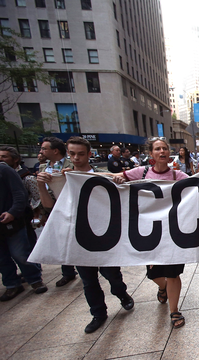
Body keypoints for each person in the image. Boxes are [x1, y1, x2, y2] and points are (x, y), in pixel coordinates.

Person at [38, 137, 134, 333]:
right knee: (88, 280)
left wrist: (118, 179)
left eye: (81, 154)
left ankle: (121, 293)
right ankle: (98, 313)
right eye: (72, 154)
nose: (76, 158)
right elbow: (49, 206)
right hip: (78, 237)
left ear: (89, 155)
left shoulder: (103, 176)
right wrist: (41, 185)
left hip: (105, 235)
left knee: (111, 274)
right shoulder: (61, 178)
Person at [110, 136, 188, 329]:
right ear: (151, 153)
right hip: (149, 232)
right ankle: (163, 288)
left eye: (165, 148)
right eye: (158, 149)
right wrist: (119, 177)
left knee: (172, 272)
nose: (162, 152)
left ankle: (174, 310)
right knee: (153, 274)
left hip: (172, 232)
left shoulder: (177, 176)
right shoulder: (141, 172)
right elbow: (117, 177)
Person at [0, 157, 47, 301]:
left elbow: (20, 194)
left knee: (20, 253)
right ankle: (11, 284)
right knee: (2, 258)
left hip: (11, 221)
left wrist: (13, 212)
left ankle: (34, 279)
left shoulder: (4, 170)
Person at [38, 137, 77, 287]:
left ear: (55, 150)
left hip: (71, 208)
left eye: (44, 148)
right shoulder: (43, 167)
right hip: (53, 208)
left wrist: (73, 174)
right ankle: (67, 272)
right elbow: (43, 194)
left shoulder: (72, 165)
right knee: (61, 240)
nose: (41, 151)